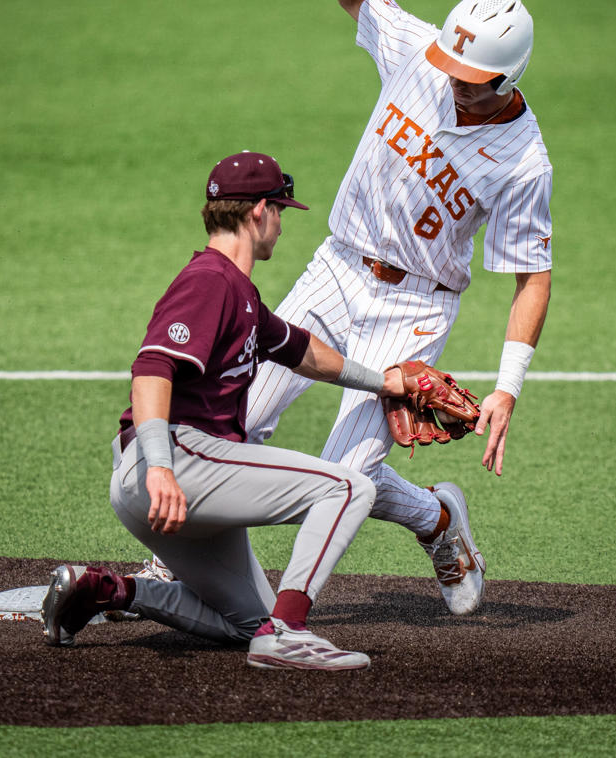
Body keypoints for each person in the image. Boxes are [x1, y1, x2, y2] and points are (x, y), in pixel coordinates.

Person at [242, 0, 553, 614]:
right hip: (335, 267)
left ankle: (436, 524)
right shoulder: (424, 53)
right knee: (238, 418)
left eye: (472, 83)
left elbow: (532, 279)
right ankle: (179, 565)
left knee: (343, 473)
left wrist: (507, 387)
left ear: (509, 81)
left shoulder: (523, 161)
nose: (451, 82)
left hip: (413, 308)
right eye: (450, 65)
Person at [41, 151, 423, 671]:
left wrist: (385, 382)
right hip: (176, 465)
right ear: (259, 211)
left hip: (166, 488)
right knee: (348, 485)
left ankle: (108, 591)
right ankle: (291, 632)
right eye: (282, 212)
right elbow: (152, 368)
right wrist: (161, 467)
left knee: (246, 624)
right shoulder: (210, 281)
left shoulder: (238, 291)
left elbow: (303, 351)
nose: (282, 227)